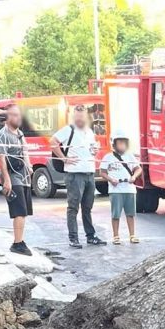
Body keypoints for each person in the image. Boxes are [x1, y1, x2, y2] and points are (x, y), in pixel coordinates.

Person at [51, 105, 106, 248]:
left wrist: (95, 150)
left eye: (81, 116)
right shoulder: (68, 129)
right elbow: (53, 142)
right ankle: (73, 238)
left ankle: (90, 236)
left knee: (87, 207)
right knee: (73, 207)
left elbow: (92, 150)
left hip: (89, 173)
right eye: (77, 116)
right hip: (74, 174)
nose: (79, 119)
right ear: (73, 116)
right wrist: (64, 159)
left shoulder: (89, 131)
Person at [0, 104, 33, 256]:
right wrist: (7, 180)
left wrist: (29, 165)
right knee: (19, 210)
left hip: (23, 175)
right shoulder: (2, 135)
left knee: (24, 212)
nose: (19, 118)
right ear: (7, 117)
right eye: (15, 115)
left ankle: (20, 240)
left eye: (19, 115)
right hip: (12, 175)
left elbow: (25, 150)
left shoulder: (20, 133)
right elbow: (2, 159)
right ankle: (17, 243)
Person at [99, 129, 142, 245]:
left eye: (124, 142)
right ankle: (116, 236)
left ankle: (132, 235)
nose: (122, 145)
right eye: (120, 142)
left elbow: (138, 169)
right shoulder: (108, 157)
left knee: (130, 214)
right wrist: (111, 179)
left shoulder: (130, 157)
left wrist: (134, 177)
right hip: (115, 190)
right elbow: (102, 172)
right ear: (114, 144)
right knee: (116, 214)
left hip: (129, 189)